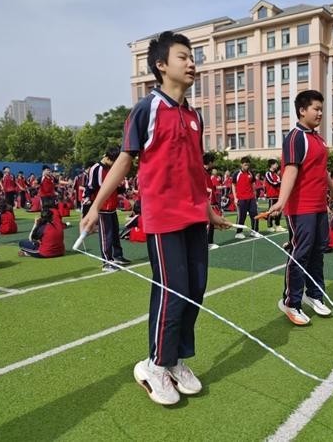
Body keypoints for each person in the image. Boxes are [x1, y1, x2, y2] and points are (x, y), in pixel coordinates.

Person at [80, 31, 230, 406]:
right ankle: (155, 364)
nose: (191, 63)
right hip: (163, 218)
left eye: (193, 57)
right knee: (172, 290)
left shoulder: (193, 116)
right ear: (161, 65)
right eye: (183, 57)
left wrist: (209, 211)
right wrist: (96, 205)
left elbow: (195, 170)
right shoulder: (146, 110)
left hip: (195, 217)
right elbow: (125, 161)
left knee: (195, 289)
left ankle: (175, 359)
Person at [267, 89, 333, 325]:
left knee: (318, 251)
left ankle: (314, 294)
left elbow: (322, 169)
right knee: (301, 253)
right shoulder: (295, 137)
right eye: (316, 109)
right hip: (300, 208)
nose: (320, 113)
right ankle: (290, 301)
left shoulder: (319, 139)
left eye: (321, 109)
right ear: (302, 110)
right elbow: (291, 169)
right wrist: (281, 201)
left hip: (319, 206)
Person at [86, 146, 131, 272]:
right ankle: (107, 262)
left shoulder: (111, 168)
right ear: (107, 157)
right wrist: (88, 201)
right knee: (106, 235)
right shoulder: (96, 168)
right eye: (113, 161)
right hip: (102, 208)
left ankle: (117, 255)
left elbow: (114, 187)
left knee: (115, 233)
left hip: (112, 206)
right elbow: (90, 186)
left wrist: (122, 188)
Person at [232, 157, 259, 239]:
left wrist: (255, 196)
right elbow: (233, 185)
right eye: (245, 165)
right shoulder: (236, 174)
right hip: (241, 199)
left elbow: (253, 184)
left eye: (248, 165)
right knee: (241, 216)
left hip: (251, 198)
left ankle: (254, 231)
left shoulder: (251, 173)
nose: (247, 166)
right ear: (241, 164)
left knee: (254, 214)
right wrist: (235, 198)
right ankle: (239, 232)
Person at [204, 152, 221, 250]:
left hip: (210, 201)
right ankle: (207, 243)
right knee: (208, 223)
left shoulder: (207, 172)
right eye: (213, 162)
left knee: (211, 223)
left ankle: (209, 242)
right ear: (210, 162)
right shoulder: (201, 171)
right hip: (206, 201)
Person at [264, 159, 285, 232]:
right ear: (271, 165)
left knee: (279, 211)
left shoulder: (276, 175)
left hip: (278, 195)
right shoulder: (268, 173)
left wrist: (280, 182)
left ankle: (277, 225)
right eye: (276, 164)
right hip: (271, 195)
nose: (277, 165)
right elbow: (272, 183)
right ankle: (269, 226)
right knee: (271, 211)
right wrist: (281, 182)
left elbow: (279, 183)